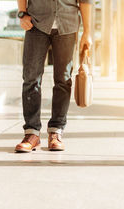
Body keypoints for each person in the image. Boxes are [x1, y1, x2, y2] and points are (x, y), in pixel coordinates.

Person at [15, 0, 93, 153]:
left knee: (63, 80)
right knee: (31, 78)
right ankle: (31, 133)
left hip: (67, 24)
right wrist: (22, 13)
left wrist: (88, 32)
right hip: (36, 23)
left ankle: (56, 131)